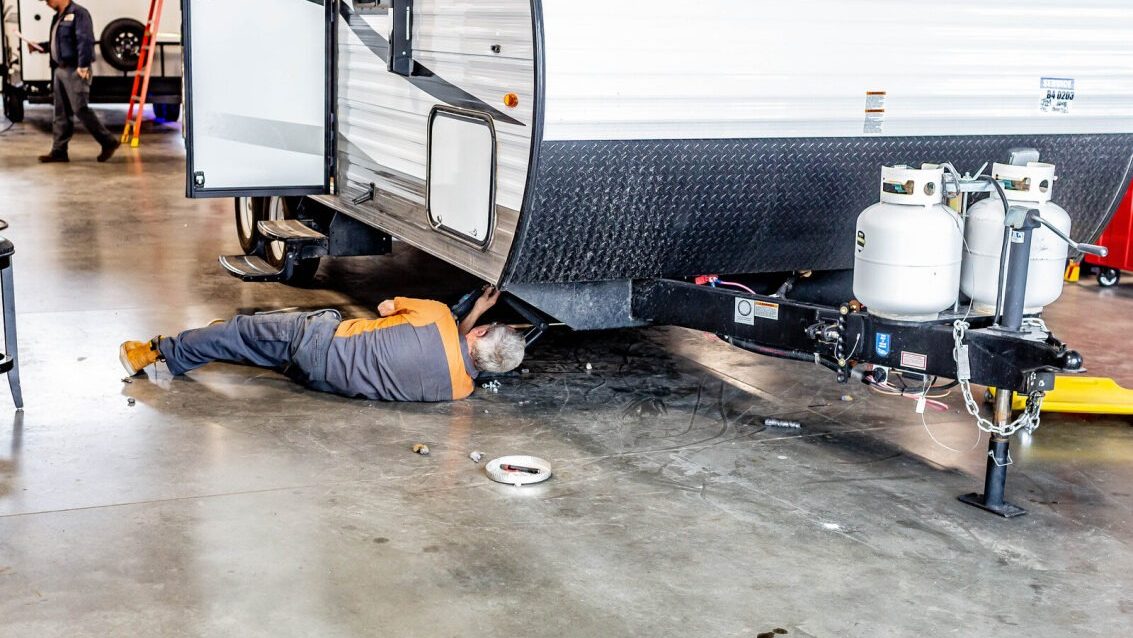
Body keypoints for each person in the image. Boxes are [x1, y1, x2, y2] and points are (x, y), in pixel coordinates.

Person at [118, 287, 526, 402]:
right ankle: (221, 340)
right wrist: (472, 317)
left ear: (478, 333)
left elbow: (387, 307)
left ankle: (155, 352)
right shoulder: (459, 391)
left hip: (317, 342)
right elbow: (454, 351)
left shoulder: (437, 314)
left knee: (242, 330)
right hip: (323, 380)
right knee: (263, 347)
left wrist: (468, 312)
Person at [28, 0, 119, 163]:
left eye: (48, 0)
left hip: (75, 69)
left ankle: (108, 141)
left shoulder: (79, 13)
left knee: (80, 108)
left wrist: (83, 65)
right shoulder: (58, 17)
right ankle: (59, 151)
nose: (46, 3)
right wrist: (39, 47)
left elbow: (85, 40)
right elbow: (59, 43)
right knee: (60, 112)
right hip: (60, 69)